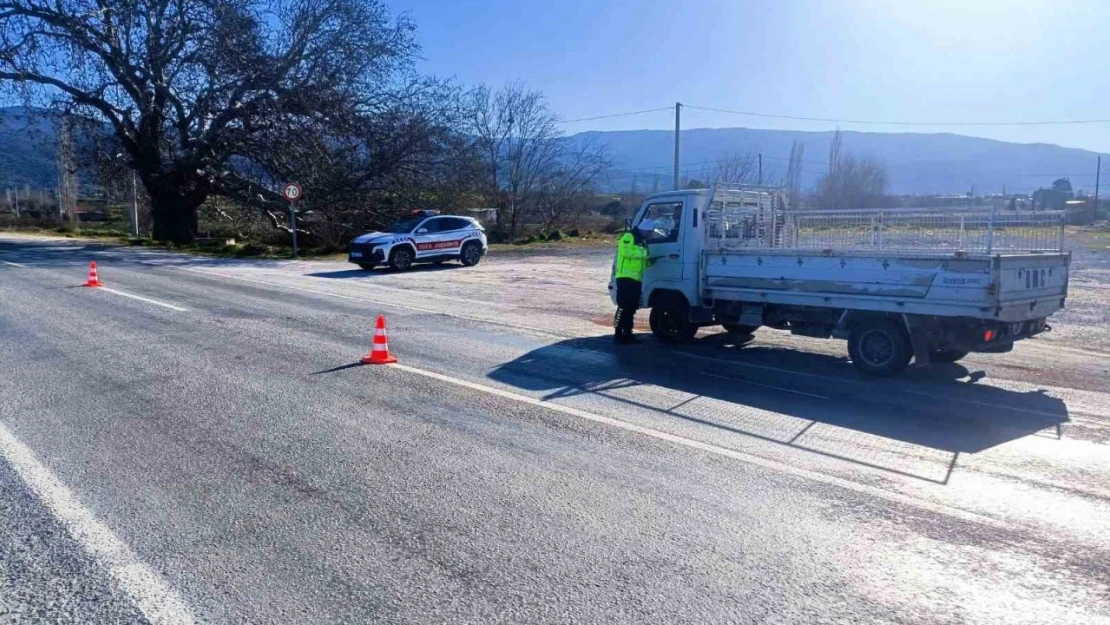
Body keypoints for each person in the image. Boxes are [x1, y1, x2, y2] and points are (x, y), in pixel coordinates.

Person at [613, 220, 655, 344]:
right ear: (645, 230)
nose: (651, 234)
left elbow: (640, 258)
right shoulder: (628, 236)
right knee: (623, 307)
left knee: (631, 308)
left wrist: (648, 262)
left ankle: (628, 333)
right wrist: (644, 256)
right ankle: (618, 333)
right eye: (650, 232)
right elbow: (626, 252)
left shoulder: (642, 240)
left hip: (636, 278)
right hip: (625, 277)